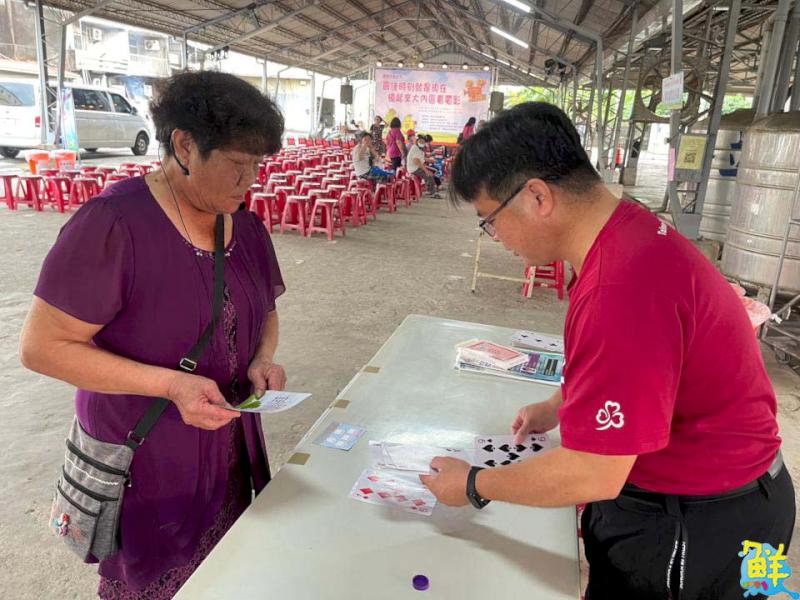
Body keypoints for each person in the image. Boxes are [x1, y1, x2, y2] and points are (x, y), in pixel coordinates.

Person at [420, 102, 795, 599]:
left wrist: (473, 485)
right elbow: (652, 366)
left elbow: (593, 472)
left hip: (699, 527)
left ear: (536, 196)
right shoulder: (631, 231)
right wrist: (560, 405)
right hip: (751, 501)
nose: (496, 238)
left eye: (490, 221)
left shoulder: (619, 288)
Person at [19, 71, 288, 599]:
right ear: (185, 145)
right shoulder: (115, 224)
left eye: (258, 165)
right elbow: (41, 347)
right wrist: (170, 385)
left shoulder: (245, 224)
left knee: (220, 574)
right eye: (238, 164)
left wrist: (262, 358)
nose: (250, 180)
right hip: (146, 459)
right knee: (154, 580)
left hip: (225, 446)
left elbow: (267, 309)